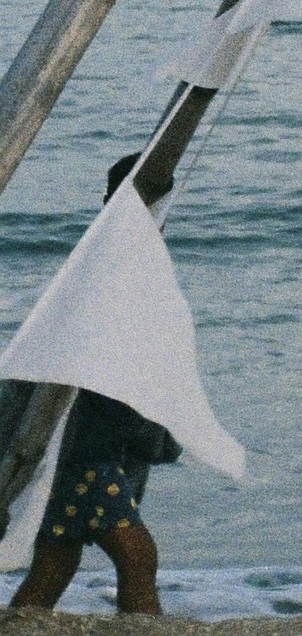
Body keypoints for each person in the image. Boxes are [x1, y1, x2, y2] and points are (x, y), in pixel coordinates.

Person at [8, 162, 178, 617]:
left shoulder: (125, 267)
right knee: (137, 557)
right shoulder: (106, 268)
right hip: (85, 452)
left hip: (93, 447)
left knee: (56, 564)